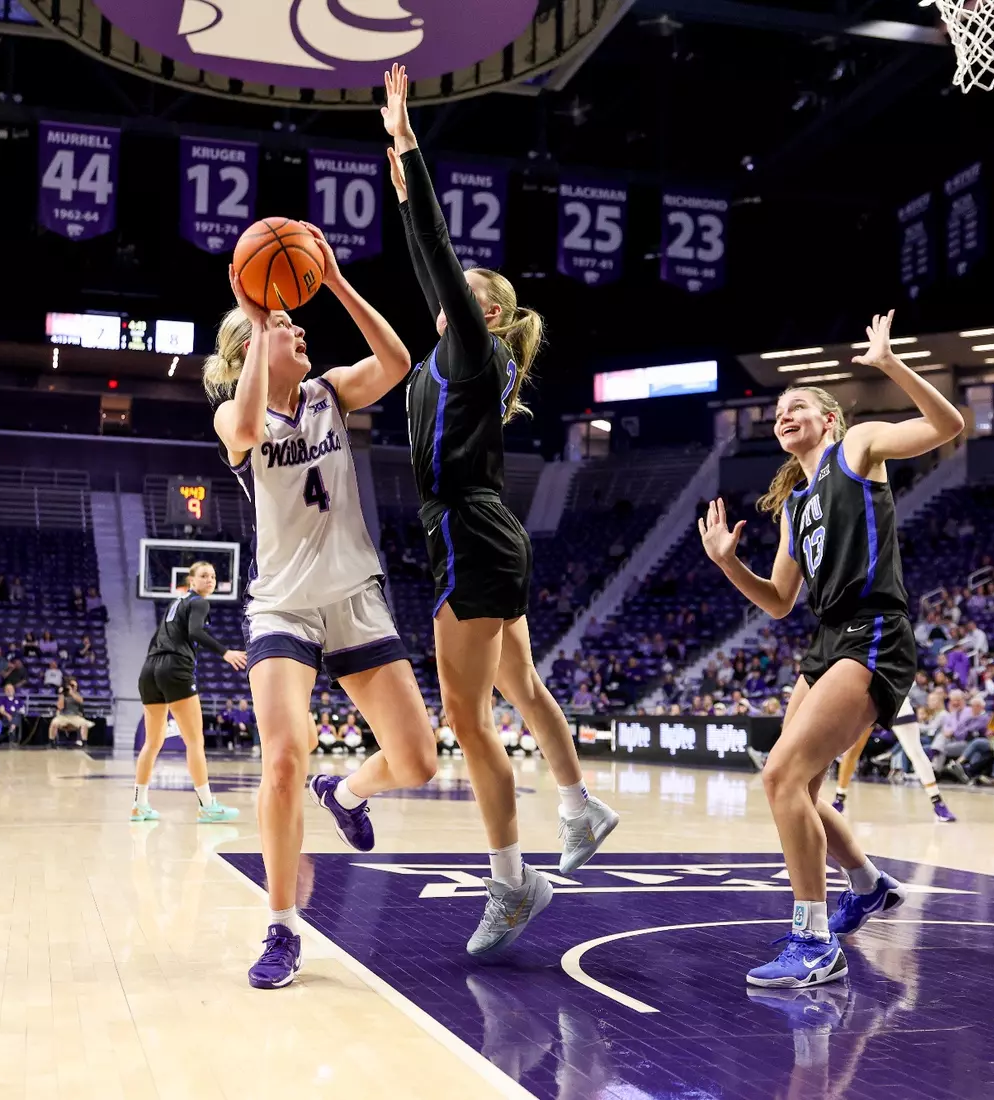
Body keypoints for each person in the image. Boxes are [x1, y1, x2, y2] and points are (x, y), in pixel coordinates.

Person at [381, 63, 618, 957]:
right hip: (487, 529)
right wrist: (402, 187)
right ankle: (579, 805)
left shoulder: (474, 350)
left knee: (469, 719)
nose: (443, 293)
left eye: (460, 290)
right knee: (521, 686)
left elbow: (436, 252)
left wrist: (413, 151)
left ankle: (514, 882)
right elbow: (427, 260)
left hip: (470, 532)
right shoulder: (455, 355)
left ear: (480, 309)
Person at [206, 206, 440, 989]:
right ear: (251, 346)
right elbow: (244, 426)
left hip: (355, 600)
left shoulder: (330, 394)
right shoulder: (236, 412)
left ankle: (345, 791)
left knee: (418, 760)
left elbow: (397, 360)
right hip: (284, 606)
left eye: (297, 324)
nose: (300, 329)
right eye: (286, 327)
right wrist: (255, 318)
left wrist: (334, 279)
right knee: (281, 758)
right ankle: (282, 927)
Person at [700, 310, 965, 988]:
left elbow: (948, 426)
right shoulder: (795, 504)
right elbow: (778, 600)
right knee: (800, 787)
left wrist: (891, 366)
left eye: (797, 407)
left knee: (780, 779)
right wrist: (728, 563)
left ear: (829, 420)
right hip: (825, 640)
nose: (784, 416)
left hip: (872, 628)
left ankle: (814, 941)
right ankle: (868, 884)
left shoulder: (860, 447)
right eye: (778, 413)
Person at [132, 561, 248, 823]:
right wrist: (225, 652)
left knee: (152, 743)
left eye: (213, 576)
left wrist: (155, 668)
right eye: (204, 576)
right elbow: (195, 631)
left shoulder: (175, 603)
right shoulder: (199, 602)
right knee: (195, 741)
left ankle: (139, 805)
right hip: (175, 668)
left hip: (150, 669)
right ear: (191, 580)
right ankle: (207, 806)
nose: (210, 580)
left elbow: (156, 638)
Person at [832, 696, 956, 822]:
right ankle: (839, 799)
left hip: (894, 696)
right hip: (868, 698)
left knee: (915, 751)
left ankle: (937, 802)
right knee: (852, 751)